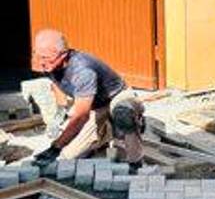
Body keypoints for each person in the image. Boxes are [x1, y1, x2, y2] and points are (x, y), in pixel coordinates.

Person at [31, 29, 146, 172]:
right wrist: (61, 110)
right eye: (38, 55)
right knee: (69, 156)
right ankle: (106, 133)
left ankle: (136, 162)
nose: (42, 62)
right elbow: (56, 83)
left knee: (123, 114)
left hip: (117, 96)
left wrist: (56, 147)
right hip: (95, 106)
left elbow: (81, 116)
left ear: (64, 55)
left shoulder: (82, 71)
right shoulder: (47, 64)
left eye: (46, 58)